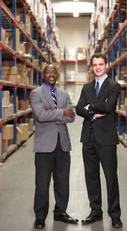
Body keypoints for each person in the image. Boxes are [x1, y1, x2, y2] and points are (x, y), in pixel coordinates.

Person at [76, 53, 123, 228]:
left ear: (106, 65)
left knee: (111, 177)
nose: (97, 67)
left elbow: (109, 106)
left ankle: (115, 214)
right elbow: (78, 108)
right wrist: (94, 111)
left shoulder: (114, 86)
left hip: (107, 139)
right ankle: (95, 211)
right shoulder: (87, 87)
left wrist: (89, 107)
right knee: (91, 177)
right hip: (88, 137)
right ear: (91, 66)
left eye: (100, 64)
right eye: (95, 64)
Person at [30, 64, 78, 229]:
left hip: (63, 145)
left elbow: (72, 117)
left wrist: (54, 112)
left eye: (53, 72)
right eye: (48, 72)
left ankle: (60, 212)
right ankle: (40, 216)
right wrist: (61, 112)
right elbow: (41, 116)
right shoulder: (36, 93)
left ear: (57, 75)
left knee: (62, 182)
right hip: (44, 147)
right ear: (43, 75)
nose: (51, 74)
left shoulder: (64, 94)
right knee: (42, 183)